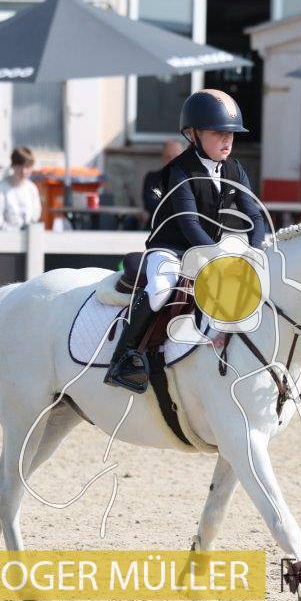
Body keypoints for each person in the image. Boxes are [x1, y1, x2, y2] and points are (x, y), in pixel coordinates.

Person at [104, 89, 268, 393]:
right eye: (218, 133)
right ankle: (124, 358)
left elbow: (255, 215)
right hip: (171, 249)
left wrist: (255, 251)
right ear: (194, 134)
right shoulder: (180, 170)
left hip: (207, 250)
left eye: (231, 133)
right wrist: (218, 257)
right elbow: (188, 223)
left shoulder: (235, 169)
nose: (227, 140)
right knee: (161, 290)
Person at [0, 146, 41, 231]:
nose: (23, 171)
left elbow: (35, 217)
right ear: (13, 165)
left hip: (27, 237)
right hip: (4, 237)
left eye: (27, 167)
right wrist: (16, 231)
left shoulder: (32, 189)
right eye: (20, 166)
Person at [142, 139, 186, 217]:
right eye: (168, 157)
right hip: (157, 223)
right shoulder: (152, 178)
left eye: (176, 157)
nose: (172, 161)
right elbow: (150, 205)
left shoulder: (191, 180)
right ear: (163, 157)